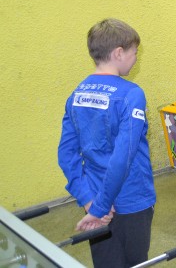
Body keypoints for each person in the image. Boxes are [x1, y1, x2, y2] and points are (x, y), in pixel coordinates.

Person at [58, 18, 156, 268]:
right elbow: (122, 158)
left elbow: (66, 155)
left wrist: (88, 199)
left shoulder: (76, 94)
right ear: (119, 53)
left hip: (93, 199)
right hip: (131, 198)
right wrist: (100, 207)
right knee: (135, 263)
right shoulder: (132, 94)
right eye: (135, 52)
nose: (136, 58)